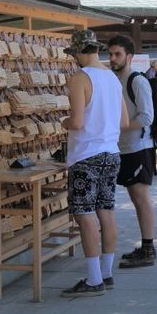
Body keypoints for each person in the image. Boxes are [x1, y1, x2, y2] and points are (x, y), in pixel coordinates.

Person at [60, 30, 129, 298]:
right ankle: (106, 271)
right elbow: (124, 122)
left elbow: (76, 122)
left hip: (86, 154)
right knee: (106, 211)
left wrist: (63, 122)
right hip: (111, 152)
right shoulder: (112, 78)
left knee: (84, 215)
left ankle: (93, 278)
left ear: (78, 52)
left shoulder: (80, 78)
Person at [108, 35, 157, 268]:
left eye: (117, 54)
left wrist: (120, 126)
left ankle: (148, 248)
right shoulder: (114, 79)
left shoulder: (137, 81)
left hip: (138, 147)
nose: (112, 58)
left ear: (129, 56)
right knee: (135, 199)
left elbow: (147, 116)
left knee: (141, 198)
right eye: (110, 54)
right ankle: (145, 247)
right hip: (123, 147)